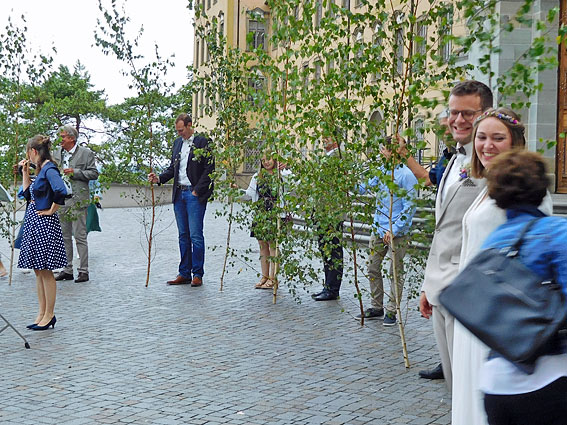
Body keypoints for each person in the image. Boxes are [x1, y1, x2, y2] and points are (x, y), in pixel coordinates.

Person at [452, 108, 553, 425]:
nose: (487, 145)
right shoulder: (487, 188)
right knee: (468, 390)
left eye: (498, 138)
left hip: (498, 312)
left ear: (515, 143)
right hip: (473, 307)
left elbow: (538, 252)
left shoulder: (527, 193)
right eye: (481, 137)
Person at [479, 150, 567, 425]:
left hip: (495, 384)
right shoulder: (557, 233)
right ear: (542, 189)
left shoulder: (491, 243)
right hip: (549, 380)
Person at [418, 80, 493, 391]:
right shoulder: (452, 159)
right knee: (454, 387)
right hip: (441, 289)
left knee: (471, 389)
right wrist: (429, 284)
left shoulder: (493, 164)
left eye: (468, 114)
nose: (458, 120)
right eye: (453, 113)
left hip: (469, 293)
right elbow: (443, 227)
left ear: (485, 114)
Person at [148, 113, 214, 287]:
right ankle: (184, 272)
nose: (179, 133)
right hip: (179, 193)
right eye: (177, 131)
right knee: (183, 235)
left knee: (195, 235)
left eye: (181, 130)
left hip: (194, 194)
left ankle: (197, 274)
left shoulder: (203, 142)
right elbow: (173, 169)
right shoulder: (177, 143)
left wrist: (197, 191)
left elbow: (209, 169)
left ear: (189, 125)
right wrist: (159, 179)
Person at [357, 145, 417, 326]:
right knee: (372, 266)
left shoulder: (406, 175)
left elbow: (409, 207)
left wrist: (394, 229)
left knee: (395, 272)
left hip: (397, 233)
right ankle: (377, 306)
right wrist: (346, 179)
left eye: (384, 149)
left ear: (394, 152)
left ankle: (392, 310)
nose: (381, 152)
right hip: (378, 229)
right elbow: (363, 188)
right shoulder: (382, 170)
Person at [17, 135, 68, 330]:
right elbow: (27, 194)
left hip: (44, 224)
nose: (27, 156)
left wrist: (51, 210)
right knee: (38, 271)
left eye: (28, 152)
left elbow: (61, 190)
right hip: (34, 222)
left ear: (34, 151)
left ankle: (50, 314)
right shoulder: (40, 170)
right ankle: (41, 313)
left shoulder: (49, 168)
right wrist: (25, 173)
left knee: (45, 270)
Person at [53, 125, 99, 283]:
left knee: (80, 236)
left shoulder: (86, 153)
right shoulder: (57, 153)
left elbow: (94, 173)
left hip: (78, 200)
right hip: (62, 199)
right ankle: (67, 270)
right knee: (64, 236)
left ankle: (83, 271)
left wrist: (75, 172)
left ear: (72, 138)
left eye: (63, 137)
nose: (60, 140)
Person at [245, 155, 291, 289]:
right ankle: (264, 276)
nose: (266, 162)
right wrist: (235, 189)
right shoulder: (257, 176)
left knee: (273, 245)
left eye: (269, 159)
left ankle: (273, 277)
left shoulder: (281, 175)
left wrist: (286, 167)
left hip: (275, 214)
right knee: (262, 245)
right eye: (263, 160)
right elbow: (249, 193)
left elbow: (295, 182)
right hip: (261, 214)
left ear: (275, 160)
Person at [311, 137, 344, 301]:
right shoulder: (327, 157)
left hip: (331, 213)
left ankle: (332, 288)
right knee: (326, 250)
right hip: (323, 212)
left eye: (327, 136)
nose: (323, 139)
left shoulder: (337, 157)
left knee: (333, 251)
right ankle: (328, 286)